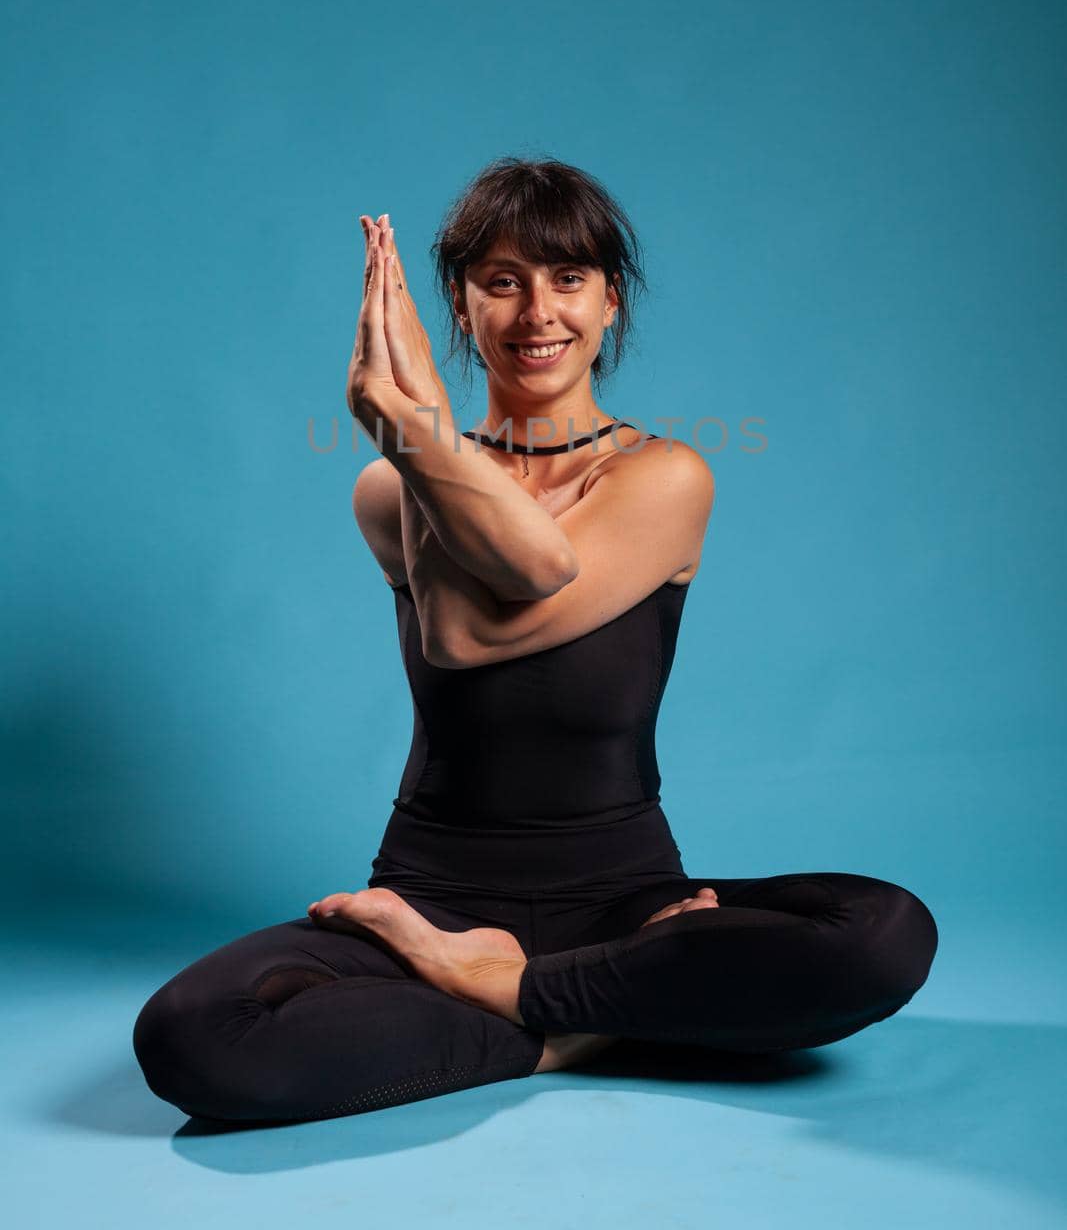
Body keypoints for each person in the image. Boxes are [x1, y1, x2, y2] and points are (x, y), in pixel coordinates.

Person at [132, 156, 938, 1126]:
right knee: (192, 1033)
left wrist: (415, 423)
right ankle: (585, 1023)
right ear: (460, 311)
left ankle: (518, 998)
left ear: (610, 304)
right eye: (500, 281)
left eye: (567, 278)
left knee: (880, 934)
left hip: (623, 904)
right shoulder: (389, 489)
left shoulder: (662, 476)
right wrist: (416, 443)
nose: (536, 311)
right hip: (426, 900)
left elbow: (487, 618)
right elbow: (469, 625)